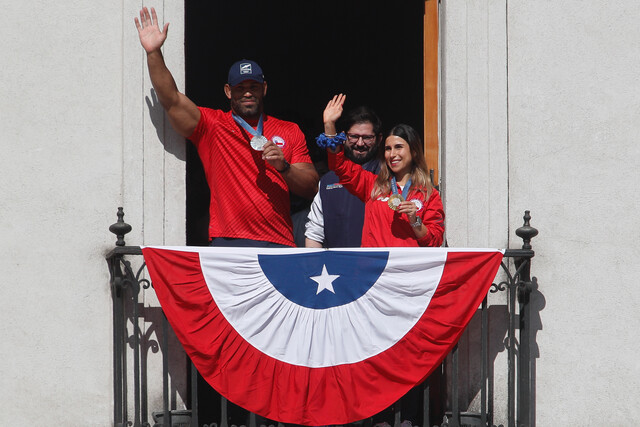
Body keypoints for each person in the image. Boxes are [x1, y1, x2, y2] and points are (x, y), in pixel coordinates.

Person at [135, 7, 318, 248]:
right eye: (241, 88)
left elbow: (312, 187)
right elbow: (171, 99)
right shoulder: (212, 125)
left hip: (277, 241)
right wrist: (153, 52)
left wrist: (283, 167)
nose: (248, 93)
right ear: (228, 91)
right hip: (228, 241)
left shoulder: (289, 130)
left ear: (264, 89)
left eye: (254, 86)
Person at [320, 94, 444, 247]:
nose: (392, 154)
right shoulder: (373, 185)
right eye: (388, 149)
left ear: (414, 152)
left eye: (399, 147)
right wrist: (329, 124)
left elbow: (435, 241)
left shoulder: (429, 194)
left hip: (408, 269)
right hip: (375, 268)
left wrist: (415, 220)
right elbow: (339, 164)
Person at [305, 100, 383, 248]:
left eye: (367, 138)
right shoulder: (328, 181)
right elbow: (314, 234)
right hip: (337, 268)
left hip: (379, 267)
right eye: (354, 136)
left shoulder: (389, 178)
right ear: (344, 137)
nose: (360, 143)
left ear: (379, 139)